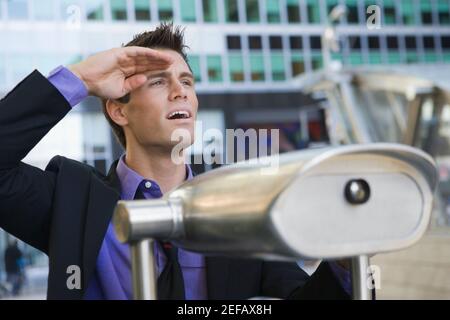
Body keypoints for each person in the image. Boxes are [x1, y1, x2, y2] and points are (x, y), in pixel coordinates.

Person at [0, 23, 352, 300]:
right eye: (158, 81)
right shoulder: (74, 200)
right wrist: (81, 79)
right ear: (119, 109)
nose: (180, 90)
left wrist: (346, 258)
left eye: (187, 81)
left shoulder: (238, 212)